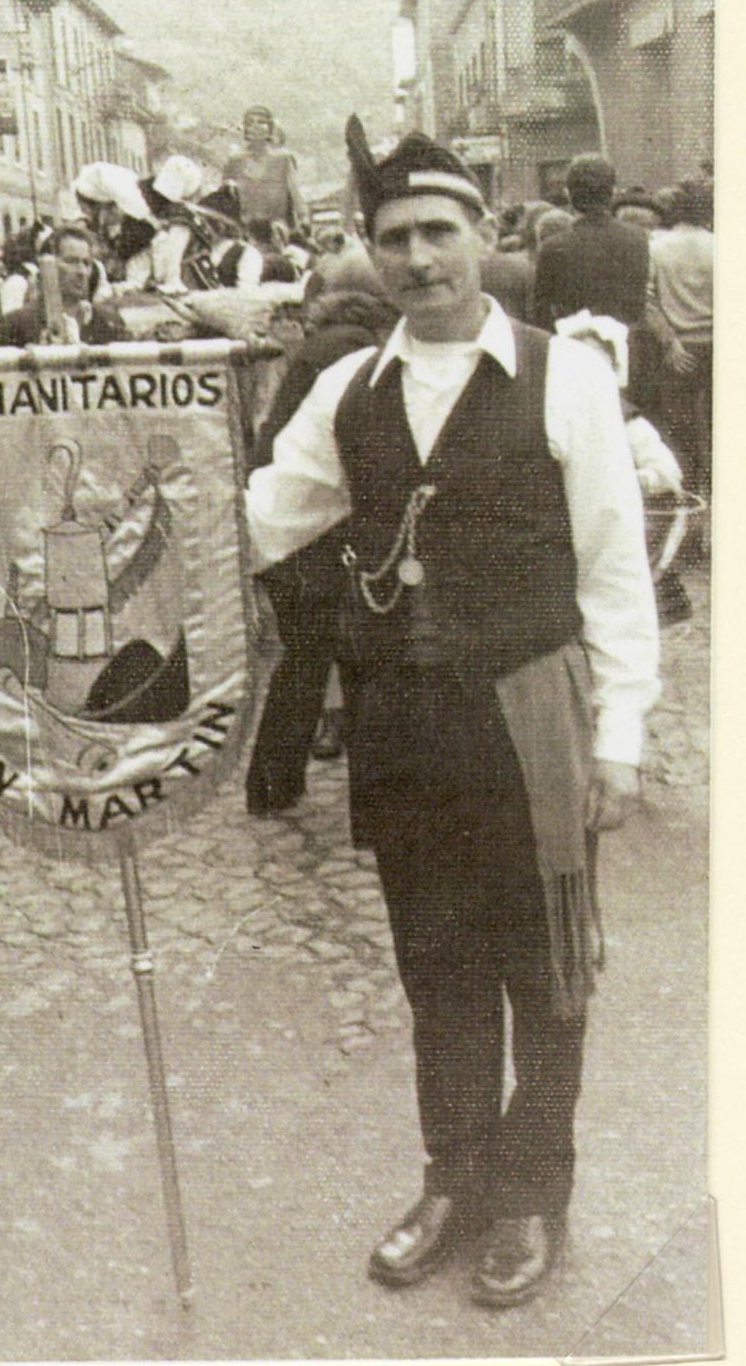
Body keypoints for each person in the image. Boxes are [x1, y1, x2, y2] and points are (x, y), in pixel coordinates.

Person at [245, 118, 659, 1308]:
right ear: (366, 251)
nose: (419, 258)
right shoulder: (347, 388)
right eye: (393, 238)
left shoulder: (563, 373)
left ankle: (533, 1196)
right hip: (404, 734)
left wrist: (619, 740)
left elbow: (616, 570)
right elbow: (275, 511)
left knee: (546, 973)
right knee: (438, 970)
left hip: (530, 723)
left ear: (483, 236)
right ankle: (456, 1175)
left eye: (439, 232)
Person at [246, 261, 398, 815]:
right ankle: (361, 803)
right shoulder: (354, 354)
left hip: (286, 522)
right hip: (307, 529)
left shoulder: (325, 343)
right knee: (337, 659)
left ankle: (273, 784)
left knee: (307, 659)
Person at [645, 182, 714, 505]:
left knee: (679, 427)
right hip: (717, 344)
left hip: (678, 348)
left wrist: (669, 342)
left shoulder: (657, 246)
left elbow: (647, 300)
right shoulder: (723, 246)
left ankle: (687, 500)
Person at [532, 153, 650, 332]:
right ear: (611, 192)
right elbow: (638, 306)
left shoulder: (553, 248)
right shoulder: (638, 239)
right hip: (627, 345)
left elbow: (541, 314)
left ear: (569, 194)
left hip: (575, 348)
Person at [0, 227, 130, 346]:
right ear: (47, 266)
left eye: (86, 263)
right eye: (71, 262)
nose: (81, 272)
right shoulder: (15, 326)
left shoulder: (110, 322)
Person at [223, 105, 307, 233]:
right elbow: (225, 196)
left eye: (261, 122)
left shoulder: (283, 159)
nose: (255, 126)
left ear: (270, 128)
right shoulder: (235, 160)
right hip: (245, 229)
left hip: (278, 229)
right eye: (250, 123)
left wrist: (304, 220)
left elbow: (296, 193)